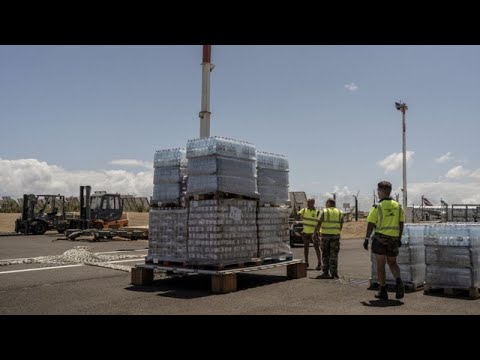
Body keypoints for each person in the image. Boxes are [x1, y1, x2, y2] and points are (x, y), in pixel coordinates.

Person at [363, 181, 405, 300]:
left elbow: (371, 223)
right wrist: (399, 238)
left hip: (380, 238)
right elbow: (401, 223)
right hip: (393, 239)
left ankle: (383, 291)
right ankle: (399, 281)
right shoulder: (398, 206)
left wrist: (366, 238)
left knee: (381, 265)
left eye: (378, 190)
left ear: (381, 191)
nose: (377, 193)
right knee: (392, 262)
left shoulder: (377, 206)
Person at [313, 198, 343, 279]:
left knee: (325, 255)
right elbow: (341, 224)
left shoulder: (324, 211)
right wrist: (337, 232)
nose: (325, 205)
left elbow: (319, 222)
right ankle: (334, 273)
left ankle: (325, 272)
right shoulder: (340, 212)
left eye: (326, 203)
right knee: (334, 255)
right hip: (335, 237)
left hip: (325, 236)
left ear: (329, 203)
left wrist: (315, 233)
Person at [297, 198, 321, 269]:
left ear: (313, 203)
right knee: (306, 248)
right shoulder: (304, 210)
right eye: (309, 202)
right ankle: (306, 262)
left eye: (311, 202)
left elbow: (319, 222)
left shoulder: (317, 211)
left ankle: (319, 263)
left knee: (316, 247)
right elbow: (297, 216)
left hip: (314, 233)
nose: (310, 203)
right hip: (306, 232)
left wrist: (318, 231)